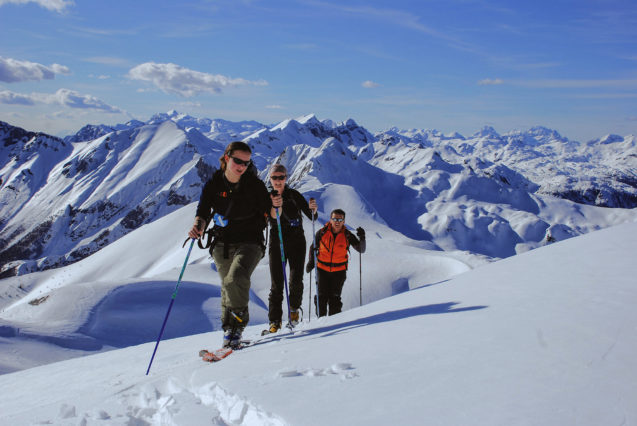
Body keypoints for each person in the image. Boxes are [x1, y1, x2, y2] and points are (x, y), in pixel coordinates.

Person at [188, 141, 270, 348]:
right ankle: (229, 331)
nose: (242, 166)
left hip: (251, 241)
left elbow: (270, 212)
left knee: (236, 279)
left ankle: (237, 327)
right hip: (222, 242)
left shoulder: (254, 185)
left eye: (246, 162)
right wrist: (198, 225)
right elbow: (204, 210)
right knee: (227, 286)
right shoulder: (215, 183)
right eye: (238, 161)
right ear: (226, 158)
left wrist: (276, 208)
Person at [266, 164, 318, 333]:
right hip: (277, 242)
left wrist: (313, 210)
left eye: (281, 177)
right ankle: (275, 321)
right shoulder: (267, 198)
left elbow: (311, 216)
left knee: (296, 279)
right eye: (275, 177)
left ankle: (294, 310)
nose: (278, 181)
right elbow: (267, 217)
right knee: (277, 283)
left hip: (297, 241)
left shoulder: (294, 195)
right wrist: (276, 206)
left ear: (286, 178)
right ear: (270, 179)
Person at [305, 209, 365, 317]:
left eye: (340, 219)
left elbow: (361, 249)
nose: (337, 222)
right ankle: (321, 321)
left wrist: (362, 238)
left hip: (339, 271)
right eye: (335, 219)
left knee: (335, 298)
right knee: (321, 298)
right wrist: (311, 262)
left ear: (343, 221)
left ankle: (335, 321)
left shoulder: (347, 235)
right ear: (331, 220)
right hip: (322, 269)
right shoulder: (322, 232)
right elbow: (313, 247)